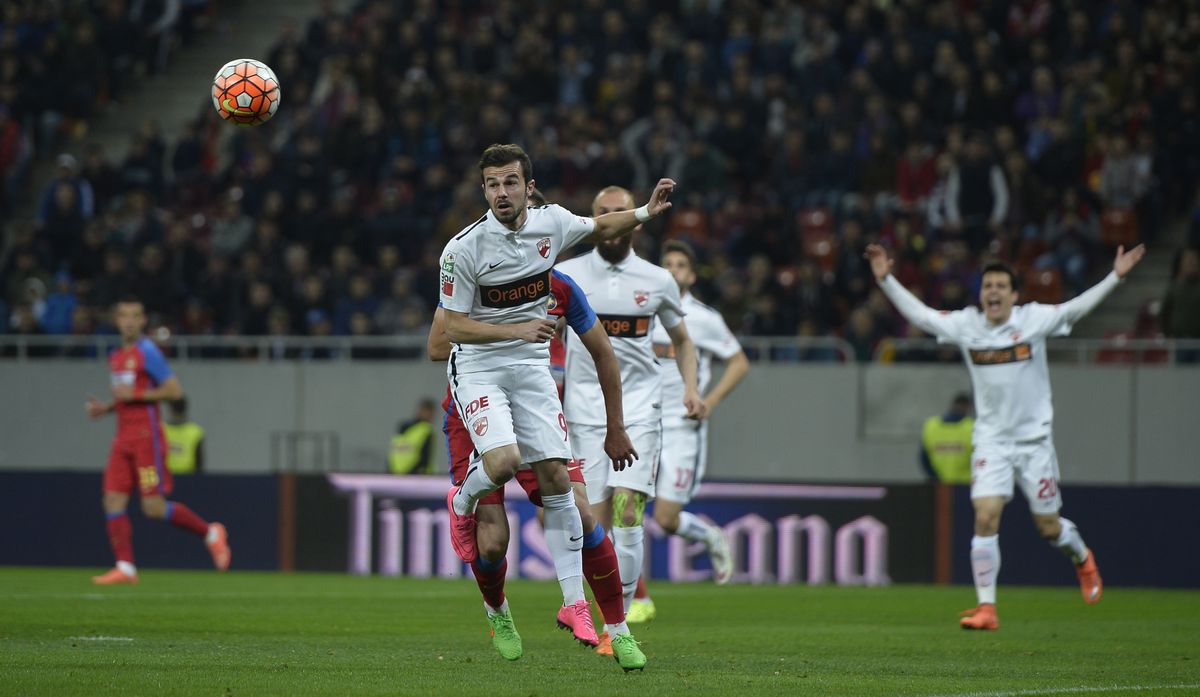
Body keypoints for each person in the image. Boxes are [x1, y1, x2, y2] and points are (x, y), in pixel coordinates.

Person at [438, 144, 671, 670]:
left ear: (528, 187)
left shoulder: (554, 230)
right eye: (492, 184)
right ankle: (465, 511)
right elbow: (448, 330)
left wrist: (645, 212)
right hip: (478, 370)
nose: (501, 192)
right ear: (483, 190)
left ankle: (607, 624)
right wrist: (516, 328)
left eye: (510, 182)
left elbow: (601, 226)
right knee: (500, 477)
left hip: (530, 372)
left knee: (564, 488)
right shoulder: (463, 250)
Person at [865, 242, 1145, 630]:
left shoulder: (1033, 320)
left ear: (1014, 296)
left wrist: (1116, 276)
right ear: (981, 295)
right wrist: (886, 281)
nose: (993, 292)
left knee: (1049, 528)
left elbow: (1075, 309)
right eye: (987, 286)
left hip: (1034, 443)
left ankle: (1082, 558)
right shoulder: (968, 325)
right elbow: (923, 316)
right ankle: (987, 609)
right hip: (992, 441)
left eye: (1000, 286)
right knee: (985, 516)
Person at [430, 264, 641, 664]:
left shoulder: (561, 291)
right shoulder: (477, 274)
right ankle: (497, 610)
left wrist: (615, 426)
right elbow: (437, 346)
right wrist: (511, 332)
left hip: (534, 417)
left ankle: (618, 631)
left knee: (583, 513)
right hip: (476, 414)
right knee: (493, 542)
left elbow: (603, 353)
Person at [556, 186, 707, 632]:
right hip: (583, 412)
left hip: (641, 408)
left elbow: (683, 342)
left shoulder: (657, 279)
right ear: (593, 219)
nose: (611, 220)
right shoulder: (568, 274)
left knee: (627, 510)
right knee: (592, 522)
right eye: (603, 213)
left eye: (619, 212)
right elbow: (547, 335)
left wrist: (691, 389)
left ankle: (615, 625)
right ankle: (601, 610)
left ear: (634, 220)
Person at [628, 239, 748, 623]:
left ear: (692, 276)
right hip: (641, 421)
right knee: (626, 506)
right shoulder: (642, 308)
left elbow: (739, 362)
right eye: (668, 263)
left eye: (680, 264)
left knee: (666, 519)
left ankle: (710, 536)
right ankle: (632, 595)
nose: (673, 270)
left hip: (682, 425)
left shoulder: (704, 319)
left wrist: (709, 401)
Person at [85, 297, 230, 584]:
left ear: (142, 321)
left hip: (145, 440)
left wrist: (136, 396)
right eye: (124, 315)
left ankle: (210, 533)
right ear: (116, 321)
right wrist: (107, 408)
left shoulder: (148, 352)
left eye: (135, 316)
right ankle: (125, 566)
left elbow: (174, 391)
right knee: (112, 499)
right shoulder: (116, 356)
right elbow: (126, 395)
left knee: (153, 507)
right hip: (122, 439)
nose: (129, 321)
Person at [919, 393, 974, 484]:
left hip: (939, 485)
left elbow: (924, 458)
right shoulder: (972, 427)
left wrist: (934, 478)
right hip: (965, 484)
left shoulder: (931, 426)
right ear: (968, 407)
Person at [388, 398, 437, 474]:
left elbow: (393, 454)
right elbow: (425, 459)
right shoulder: (426, 430)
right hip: (418, 476)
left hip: (396, 473)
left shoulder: (402, 429)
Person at [163, 398, 206, 475]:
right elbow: (199, 464)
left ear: (170, 409)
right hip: (188, 479)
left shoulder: (160, 430)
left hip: (165, 478)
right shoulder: (195, 431)